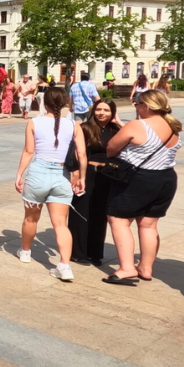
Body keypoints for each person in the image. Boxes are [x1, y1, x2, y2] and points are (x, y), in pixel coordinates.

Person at [102, 89, 182, 285]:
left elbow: (111, 148)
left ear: (146, 106)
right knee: (148, 224)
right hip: (166, 178)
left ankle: (127, 267)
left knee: (119, 220)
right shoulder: (173, 126)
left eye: (137, 104)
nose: (136, 107)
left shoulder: (137, 125)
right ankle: (146, 267)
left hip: (139, 178)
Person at [14, 87, 84, 281]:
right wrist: (80, 177)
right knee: (60, 223)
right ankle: (64, 265)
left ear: (44, 103)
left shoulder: (34, 122)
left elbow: (29, 151)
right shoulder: (74, 125)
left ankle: (26, 251)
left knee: (31, 218)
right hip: (62, 175)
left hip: (38, 173)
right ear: (64, 103)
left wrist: (19, 174)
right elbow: (81, 154)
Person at [67, 99, 120, 266]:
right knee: (81, 212)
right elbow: (75, 153)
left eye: (106, 110)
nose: (102, 113)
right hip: (87, 173)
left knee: (100, 215)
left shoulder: (116, 130)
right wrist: (75, 174)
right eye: (98, 109)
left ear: (112, 112)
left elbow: (136, 140)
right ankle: (78, 252)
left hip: (107, 175)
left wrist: (118, 121)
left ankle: (95, 253)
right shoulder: (85, 128)